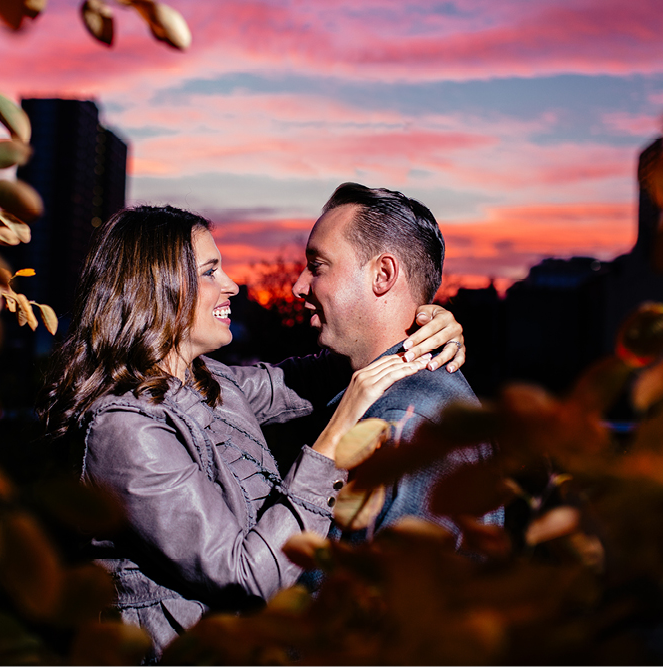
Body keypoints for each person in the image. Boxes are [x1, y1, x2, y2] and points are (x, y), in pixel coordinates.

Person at [41, 205, 467, 660]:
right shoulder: (125, 429)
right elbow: (247, 575)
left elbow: (324, 372)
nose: (232, 284)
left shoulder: (212, 383)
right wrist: (334, 443)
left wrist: (424, 328)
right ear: (158, 287)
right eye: (210, 271)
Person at [291, 183, 502, 541]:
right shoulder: (375, 393)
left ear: (383, 275)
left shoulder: (406, 426)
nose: (299, 286)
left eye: (317, 266)